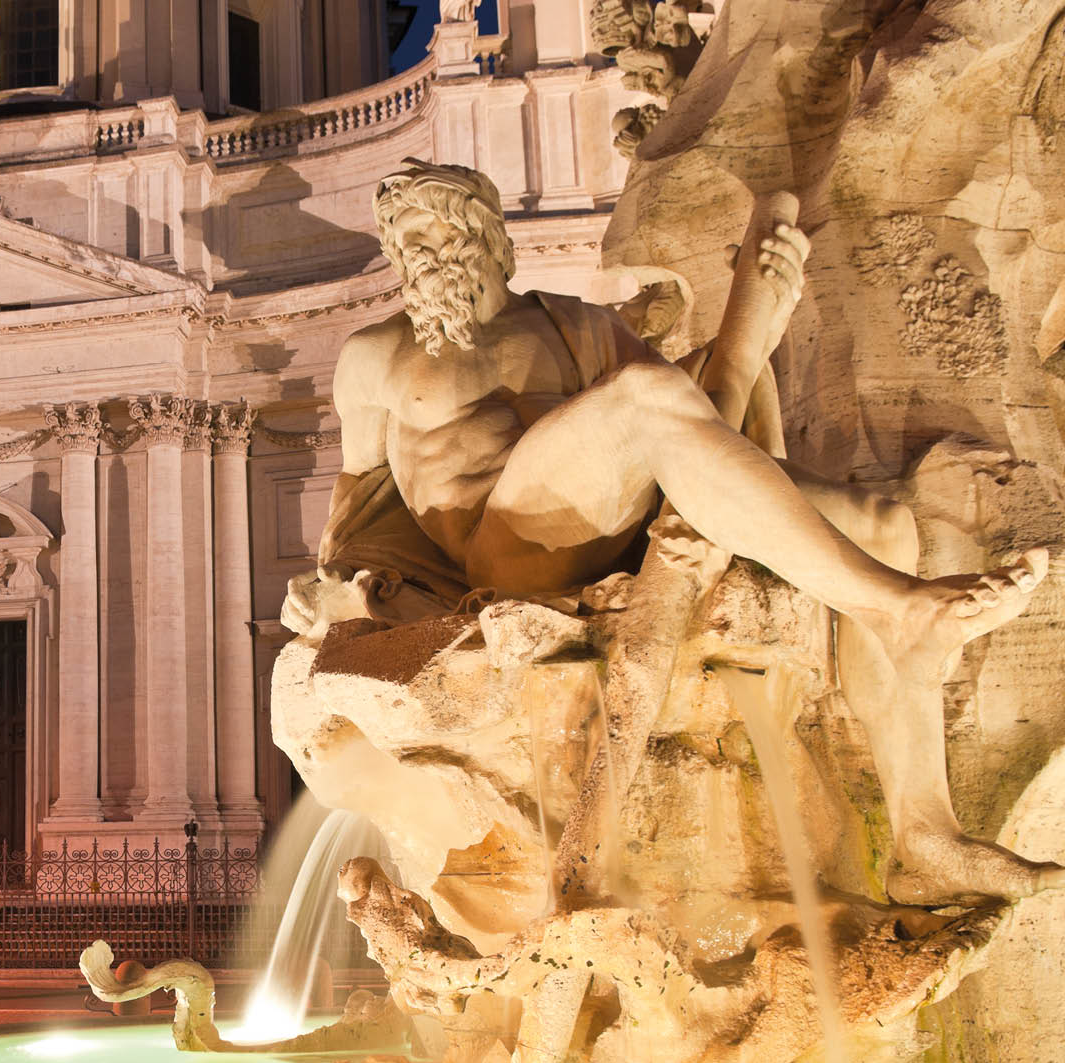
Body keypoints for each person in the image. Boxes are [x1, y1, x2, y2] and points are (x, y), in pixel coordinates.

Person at [283, 157, 1063, 905]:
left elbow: (704, 408)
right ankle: (898, 609)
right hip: (506, 549)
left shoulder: (571, 324)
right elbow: (361, 505)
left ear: (488, 236)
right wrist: (337, 594)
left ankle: (924, 835)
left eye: (435, 230)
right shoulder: (378, 355)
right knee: (645, 396)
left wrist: (758, 310)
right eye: (403, 241)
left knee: (885, 525)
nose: (416, 253)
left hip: (610, 526)